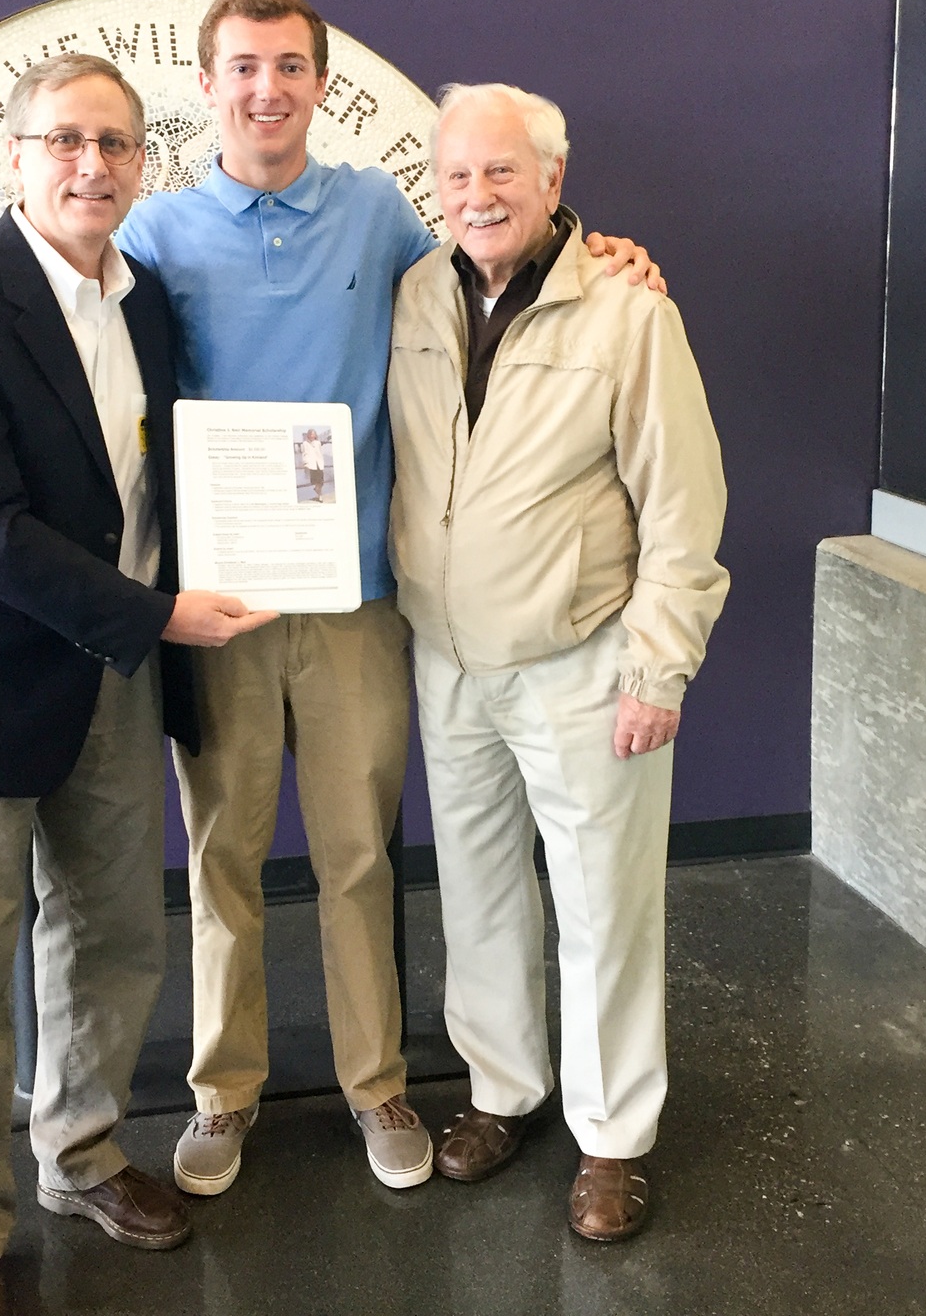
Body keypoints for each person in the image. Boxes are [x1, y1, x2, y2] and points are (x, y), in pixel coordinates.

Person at [0, 0, 661, 1199]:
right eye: (241, 69)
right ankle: (224, 1095)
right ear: (206, 88)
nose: (265, 89)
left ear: (318, 84)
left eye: (287, 67)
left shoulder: (378, 212)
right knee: (222, 860)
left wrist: (600, 245)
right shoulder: (154, 232)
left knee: (356, 857)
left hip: (356, 606)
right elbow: (44, 289)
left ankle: (377, 1083)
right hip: (210, 611)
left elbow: (494, 264)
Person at [0, 52, 273, 1316]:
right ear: (15, 158)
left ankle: (82, 1153)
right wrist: (160, 613)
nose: (89, 165)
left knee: (110, 938)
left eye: (112, 145)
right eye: (63, 141)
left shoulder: (148, 301)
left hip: (115, 678)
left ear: (140, 163)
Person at [387, 83, 728, 1242]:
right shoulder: (413, 294)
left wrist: (658, 669)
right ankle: (500, 1093)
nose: (476, 195)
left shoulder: (628, 313)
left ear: (551, 180)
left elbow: (683, 508)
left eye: (501, 173)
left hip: (581, 661)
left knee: (602, 909)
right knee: (478, 898)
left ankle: (612, 1139)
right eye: (457, 175)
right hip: (447, 660)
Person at [299, 429, 327, 501]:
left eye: (313, 434)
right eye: (311, 434)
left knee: (321, 482)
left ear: (315, 435)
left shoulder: (318, 443)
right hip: (312, 464)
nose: (312, 436)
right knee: (316, 481)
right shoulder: (305, 443)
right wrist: (305, 463)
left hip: (319, 463)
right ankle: (320, 496)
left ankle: (317, 490)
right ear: (308, 435)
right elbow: (304, 454)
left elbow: (320, 452)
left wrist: (322, 461)